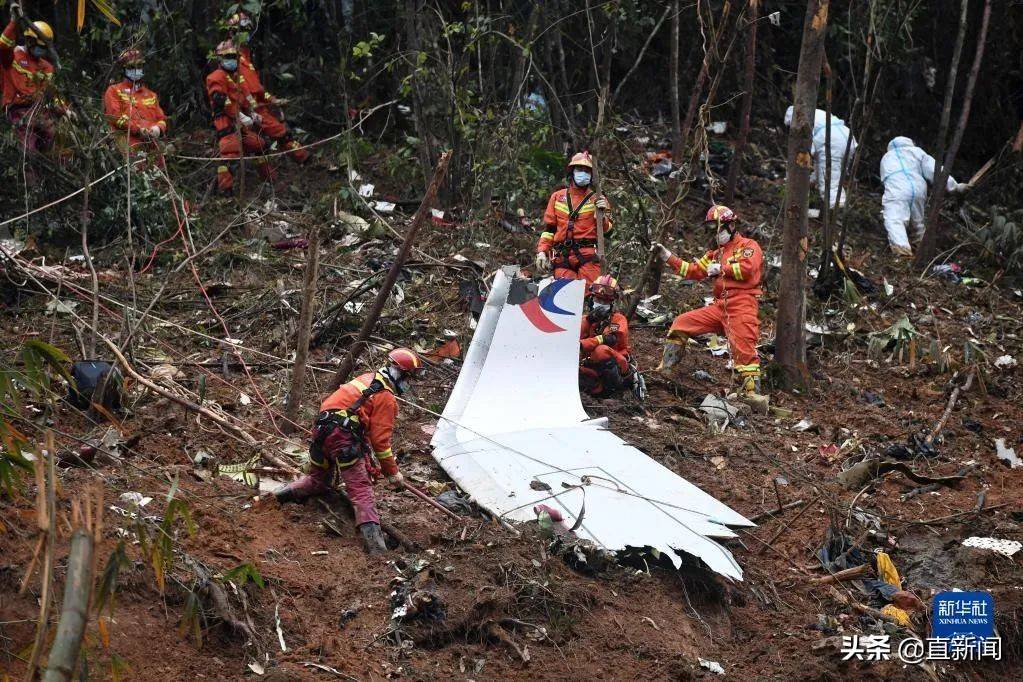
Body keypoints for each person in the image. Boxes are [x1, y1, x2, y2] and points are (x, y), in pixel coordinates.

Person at [272, 349, 425, 553]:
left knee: (319, 480)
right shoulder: (385, 397)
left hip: (321, 430)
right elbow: (381, 443)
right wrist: (392, 472)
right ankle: (377, 551)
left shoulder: (366, 379)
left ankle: (274, 498)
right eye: (410, 378)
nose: (409, 384)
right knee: (361, 490)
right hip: (341, 437)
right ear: (401, 373)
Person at [652, 205, 764, 397]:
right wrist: (667, 256)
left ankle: (752, 396)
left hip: (742, 305)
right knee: (681, 323)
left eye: (718, 228)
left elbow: (748, 269)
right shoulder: (715, 252)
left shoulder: (748, 245)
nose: (715, 233)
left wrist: (722, 268)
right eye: (712, 229)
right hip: (719, 305)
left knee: (745, 353)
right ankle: (666, 371)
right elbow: (693, 271)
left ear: (731, 225)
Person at [224, 11, 309, 164]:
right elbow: (240, 90)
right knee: (281, 134)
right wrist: (249, 109)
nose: (246, 35)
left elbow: (257, 89)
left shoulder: (246, 56)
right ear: (233, 33)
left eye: (247, 31)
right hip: (249, 110)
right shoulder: (232, 57)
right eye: (242, 31)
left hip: (256, 107)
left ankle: (271, 179)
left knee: (260, 148)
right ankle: (305, 159)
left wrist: (273, 99)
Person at [879, 136, 969, 257]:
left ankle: (903, 251)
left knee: (895, 218)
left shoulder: (886, 157)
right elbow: (935, 170)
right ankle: (922, 249)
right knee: (918, 221)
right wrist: (955, 186)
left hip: (897, 188)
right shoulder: (917, 152)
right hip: (918, 187)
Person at [205, 40, 275, 194]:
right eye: (228, 56)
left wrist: (252, 113)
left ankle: (269, 182)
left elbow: (244, 99)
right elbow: (222, 101)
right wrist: (241, 117)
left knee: (260, 145)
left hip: (241, 125)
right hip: (225, 123)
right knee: (230, 154)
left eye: (233, 56)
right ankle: (226, 192)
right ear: (220, 59)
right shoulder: (216, 77)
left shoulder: (237, 77)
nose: (231, 59)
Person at [535, 151, 612, 283]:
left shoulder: (599, 200)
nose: (583, 173)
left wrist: (602, 215)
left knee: (589, 295)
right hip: (562, 258)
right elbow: (549, 230)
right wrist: (542, 251)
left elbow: (608, 232)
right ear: (572, 172)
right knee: (564, 297)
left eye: (587, 171)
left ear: (592, 176)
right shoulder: (557, 197)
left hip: (588, 257)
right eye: (580, 169)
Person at [1, 5, 66, 157]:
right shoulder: (12, 57)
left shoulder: (47, 67)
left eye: (44, 48)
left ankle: (52, 176)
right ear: (29, 41)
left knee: (57, 146)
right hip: (18, 112)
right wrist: (13, 22)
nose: (40, 51)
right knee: (28, 154)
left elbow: (51, 95)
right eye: (38, 46)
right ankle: (31, 179)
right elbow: (3, 46)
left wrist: (66, 110)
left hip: (41, 112)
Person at [579, 275, 644, 400]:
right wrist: (589, 320)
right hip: (591, 364)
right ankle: (593, 389)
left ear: (612, 303)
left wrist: (583, 344)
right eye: (598, 299)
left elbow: (609, 339)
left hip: (617, 365)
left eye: (605, 302)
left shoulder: (618, 319)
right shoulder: (585, 320)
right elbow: (574, 339)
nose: (601, 304)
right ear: (591, 300)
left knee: (601, 350)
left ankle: (612, 391)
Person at [102, 48, 167, 166]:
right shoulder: (114, 91)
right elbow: (115, 116)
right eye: (132, 67)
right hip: (128, 149)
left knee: (158, 181)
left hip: (152, 149)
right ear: (124, 69)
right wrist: (137, 129)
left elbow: (161, 118)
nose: (136, 70)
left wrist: (158, 129)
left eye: (140, 66)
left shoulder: (151, 95)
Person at [784, 105, 857, 210]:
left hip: (832, 140)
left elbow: (804, 152)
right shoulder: (815, 113)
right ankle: (836, 204)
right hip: (847, 136)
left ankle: (835, 209)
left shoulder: (800, 120)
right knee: (836, 175)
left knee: (829, 181)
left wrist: (791, 178)